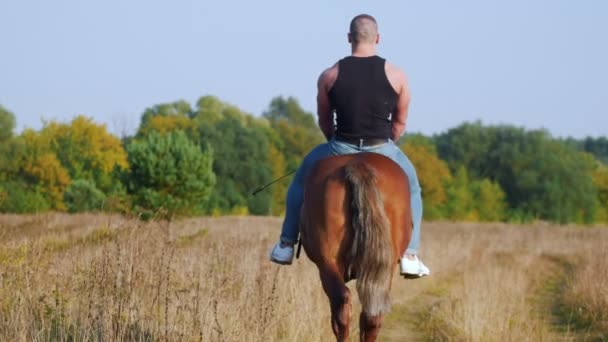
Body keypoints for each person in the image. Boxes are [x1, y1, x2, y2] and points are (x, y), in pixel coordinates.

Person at [269, 14, 430, 278]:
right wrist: (386, 145)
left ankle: (286, 243)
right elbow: (400, 122)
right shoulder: (397, 75)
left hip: (340, 147)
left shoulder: (329, 75)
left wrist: (334, 140)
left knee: (300, 179)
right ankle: (411, 254)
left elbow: (324, 119)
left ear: (349, 38)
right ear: (377, 38)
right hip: (382, 148)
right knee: (412, 186)